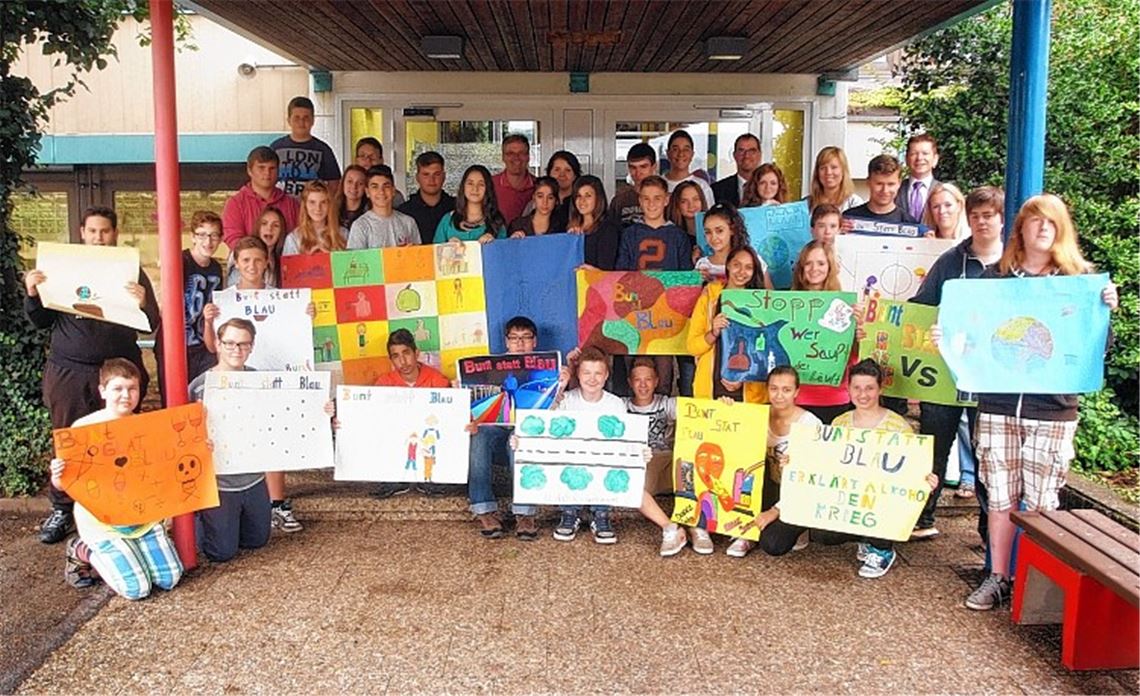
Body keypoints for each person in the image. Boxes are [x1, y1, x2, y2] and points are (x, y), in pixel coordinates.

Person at [956, 194, 1118, 611]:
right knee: (999, 496)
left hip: (1053, 408)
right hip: (998, 403)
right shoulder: (995, 283)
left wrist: (1104, 316)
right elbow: (970, 339)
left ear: (1061, 229)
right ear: (1021, 230)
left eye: (1051, 221)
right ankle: (998, 576)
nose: (1043, 228)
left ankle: (1041, 587)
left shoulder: (1080, 283)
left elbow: (1096, 350)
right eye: (1034, 221)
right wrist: (950, 341)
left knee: (1044, 500)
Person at [24, 206, 161, 544]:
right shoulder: (61, 268)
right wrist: (31, 293)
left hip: (120, 368)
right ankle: (63, 508)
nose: (99, 238)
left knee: (121, 438)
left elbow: (153, 321)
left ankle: (124, 502)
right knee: (69, 438)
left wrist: (144, 303)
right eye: (93, 231)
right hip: (69, 370)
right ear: (82, 232)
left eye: (105, 231)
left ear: (114, 233)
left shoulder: (130, 271)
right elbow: (40, 321)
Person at [908, 186, 1005, 542]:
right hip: (943, 374)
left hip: (991, 379)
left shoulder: (1013, 263)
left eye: (988, 215)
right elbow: (920, 305)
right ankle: (922, 516)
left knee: (988, 455)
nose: (981, 222)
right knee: (933, 446)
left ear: (1001, 219)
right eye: (976, 216)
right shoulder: (950, 261)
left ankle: (988, 531)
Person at [203, 235, 310, 533]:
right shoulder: (224, 299)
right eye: (246, 260)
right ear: (236, 262)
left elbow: (295, 337)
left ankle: (277, 503)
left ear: (267, 262)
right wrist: (206, 320)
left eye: (258, 260)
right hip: (238, 382)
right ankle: (242, 502)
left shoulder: (282, 297)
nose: (252, 265)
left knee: (273, 436)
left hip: (271, 378)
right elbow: (213, 347)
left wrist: (305, 317)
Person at [54, 359, 183, 599]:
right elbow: (64, 485)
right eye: (118, 388)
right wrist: (58, 475)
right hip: (102, 523)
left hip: (142, 518)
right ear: (103, 391)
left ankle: (132, 551)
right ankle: (82, 550)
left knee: (169, 579)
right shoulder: (83, 428)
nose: (126, 395)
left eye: (132, 388)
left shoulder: (146, 427)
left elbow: (168, 468)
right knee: (137, 589)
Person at [813, 359, 938, 579]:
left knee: (886, 509)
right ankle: (865, 538)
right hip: (850, 497)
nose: (863, 394)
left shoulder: (899, 426)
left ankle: (882, 548)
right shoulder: (839, 423)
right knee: (822, 535)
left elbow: (911, 469)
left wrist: (924, 480)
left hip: (882, 501)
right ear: (848, 389)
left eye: (870, 388)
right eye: (857, 388)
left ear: (880, 389)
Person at [188, 318, 271, 563]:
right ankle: (199, 519)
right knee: (221, 553)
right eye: (230, 343)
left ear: (252, 346)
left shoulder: (261, 381)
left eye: (244, 344)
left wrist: (324, 411)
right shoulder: (200, 386)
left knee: (258, 541)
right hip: (219, 481)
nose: (237, 350)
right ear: (218, 344)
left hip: (253, 477)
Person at [465, 317, 549, 540]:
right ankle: (484, 509)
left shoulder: (546, 369)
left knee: (518, 439)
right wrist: (462, 390)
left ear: (535, 342)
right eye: (514, 338)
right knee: (479, 435)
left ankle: (525, 513)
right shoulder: (492, 369)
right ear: (506, 342)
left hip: (529, 429)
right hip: (496, 426)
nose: (520, 344)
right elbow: (480, 405)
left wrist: (561, 384)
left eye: (525, 338)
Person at [623, 357, 715, 557]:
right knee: (630, 487)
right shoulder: (620, 406)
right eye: (637, 379)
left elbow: (703, 411)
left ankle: (697, 527)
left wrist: (726, 402)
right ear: (630, 382)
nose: (643, 385)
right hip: (646, 464)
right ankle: (671, 529)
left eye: (648, 379)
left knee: (695, 468)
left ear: (656, 381)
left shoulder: (667, 404)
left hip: (669, 459)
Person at [733, 365, 820, 558]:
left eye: (786, 390)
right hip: (769, 486)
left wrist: (774, 511)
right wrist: (725, 408)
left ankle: (801, 526)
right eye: (774, 388)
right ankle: (747, 530)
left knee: (773, 544)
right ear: (767, 389)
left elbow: (812, 479)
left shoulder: (810, 424)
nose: (779, 395)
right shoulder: (756, 415)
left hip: (799, 493)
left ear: (797, 391)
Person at [548, 347, 626, 544]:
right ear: (578, 374)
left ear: (606, 375)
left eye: (598, 373)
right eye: (586, 373)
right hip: (572, 458)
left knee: (613, 459)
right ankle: (569, 511)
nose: (592, 379)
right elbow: (545, 428)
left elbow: (624, 440)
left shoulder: (616, 404)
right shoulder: (566, 400)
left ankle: (601, 514)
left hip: (602, 458)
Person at [156, 210, 225, 405]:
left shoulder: (216, 268)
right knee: (174, 401)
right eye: (202, 235)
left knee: (204, 398)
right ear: (193, 236)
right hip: (175, 345)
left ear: (221, 238)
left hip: (202, 345)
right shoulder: (180, 261)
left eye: (214, 235)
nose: (208, 241)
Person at [686, 245, 769, 404]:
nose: (741, 272)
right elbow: (692, 347)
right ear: (728, 265)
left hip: (750, 395)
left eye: (748, 267)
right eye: (737, 265)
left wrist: (743, 377)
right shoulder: (710, 295)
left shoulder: (761, 302)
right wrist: (713, 332)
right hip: (710, 391)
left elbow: (766, 354)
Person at [791, 241, 859, 423]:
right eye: (808, 263)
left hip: (835, 396)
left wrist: (859, 331)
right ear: (801, 268)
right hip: (797, 397)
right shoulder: (788, 304)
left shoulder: (846, 305)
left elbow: (854, 354)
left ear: (830, 267)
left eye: (821, 263)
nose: (814, 269)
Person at [221, 146, 300, 248]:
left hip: (286, 262)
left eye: (272, 168)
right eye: (261, 168)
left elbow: (301, 238)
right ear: (250, 171)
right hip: (248, 262)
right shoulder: (235, 204)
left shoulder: (292, 204)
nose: (267, 173)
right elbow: (234, 240)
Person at [616, 175, 694, 271]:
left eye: (657, 198)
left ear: (666, 200)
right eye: (646, 199)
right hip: (636, 286)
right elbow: (621, 272)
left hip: (670, 286)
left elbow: (685, 274)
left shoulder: (679, 236)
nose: (651, 204)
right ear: (640, 201)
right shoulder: (629, 234)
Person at [271, 96, 341, 197]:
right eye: (297, 118)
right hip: (281, 209)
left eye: (306, 118)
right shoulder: (276, 148)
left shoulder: (323, 150)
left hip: (312, 210)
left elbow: (334, 183)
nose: (301, 122)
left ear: (313, 120)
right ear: (289, 120)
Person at [346, 165, 419, 249]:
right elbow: (355, 260)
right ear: (367, 192)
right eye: (375, 187)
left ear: (393, 190)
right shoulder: (361, 226)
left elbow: (418, 257)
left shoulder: (408, 222)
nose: (381, 192)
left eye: (386, 186)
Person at [434, 165, 507, 243]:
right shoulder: (448, 221)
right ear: (463, 187)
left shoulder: (496, 222)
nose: (475, 188)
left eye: (481, 184)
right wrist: (447, 248)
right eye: (470, 183)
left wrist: (492, 245)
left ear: (488, 189)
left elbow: (504, 253)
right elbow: (434, 253)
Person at [399, 151, 456, 245]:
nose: (431, 180)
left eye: (436, 174)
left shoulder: (457, 208)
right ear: (417, 177)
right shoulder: (404, 212)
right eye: (426, 174)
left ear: (444, 176)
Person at [844, 154, 917, 225]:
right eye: (879, 184)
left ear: (899, 184)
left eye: (891, 184)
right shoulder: (848, 220)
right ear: (868, 182)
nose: (885, 190)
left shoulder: (910, 224)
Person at [568, 175, 622, 270]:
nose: (582, 201)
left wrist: (592, 271)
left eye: (588, 196)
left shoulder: (608, 229)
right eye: (578, 196)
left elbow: (607, 271)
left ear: (598, 198)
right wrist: (569, 239)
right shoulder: (570, 227)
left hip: (594, 283)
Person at [694, 203, 757, 285]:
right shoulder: (703, 265)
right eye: (708, 232)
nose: (714, 237)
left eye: (719, 231)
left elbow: (769, 293)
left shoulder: (751, 259)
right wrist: (696, 281)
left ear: (732, 230)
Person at [282, 180, 345, 255]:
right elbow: (288, 266)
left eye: (323, 202)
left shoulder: (343, 234)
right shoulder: (293, 239)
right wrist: (308, 260)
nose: (318, 208)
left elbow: (352, 265)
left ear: (329, 205)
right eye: (312, 202)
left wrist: (329, 258)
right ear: (305, 205)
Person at [375, 329, 451, 388]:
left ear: (416, 353)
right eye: (396, 356)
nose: (403, 361)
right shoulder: (384, 384)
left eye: (406, 353)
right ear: (391, 360)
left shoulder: (437, 380)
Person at [662, 130, 715, 207]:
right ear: (668, 153)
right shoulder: (659, 185)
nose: (681, 154)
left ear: (692, 154)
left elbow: (710, 216)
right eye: (675, 149)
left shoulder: (702, 186)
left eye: (686, 149)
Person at [609, 142, 657, 228]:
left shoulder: (664, 200)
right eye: (633, 167)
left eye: (643, 167)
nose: (638, 173)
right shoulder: (619, 201)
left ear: (654, 167)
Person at [492, 133, 536, 225]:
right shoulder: (490, 184)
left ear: (528, 157)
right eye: (510, 153)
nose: (516, 158)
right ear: (503, 157)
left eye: (521, 153)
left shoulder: (539, 186)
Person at [805, 146, 864, 214]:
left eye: (834, 167)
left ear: (843, 171)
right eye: (823, 168)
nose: (828, 172)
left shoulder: (854, 203)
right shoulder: (807, 205)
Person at [896, 133, 941, 221]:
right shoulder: (895, 189)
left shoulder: (944, 191)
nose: (919, 158)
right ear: (906, 159)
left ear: (935, 159)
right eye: (914, 154)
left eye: (925, 153)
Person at [354, 137, 407, 206]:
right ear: (356, 160)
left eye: (372, 157)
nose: (367, 160)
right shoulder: (349, 191)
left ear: (381, 160)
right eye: (362, 156)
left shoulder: (393, 196)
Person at [712, 133, 762, 206]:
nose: (746, 156)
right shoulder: (717, 190)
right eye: (741, 151)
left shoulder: (770, 188)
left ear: (759, 155)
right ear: (734, 155)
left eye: (752, 151)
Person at [544, 150, 581, 230]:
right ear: (549, 173)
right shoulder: (535, 202)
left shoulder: (582, 203)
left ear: (575, 175)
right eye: (557, 170)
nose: (562, 174)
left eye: (567, 170)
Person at [668, 180, 709, 246]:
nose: (691, 205)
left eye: (695, 199)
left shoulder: (713, 230)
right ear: (677, 204)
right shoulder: (671, 234)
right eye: (684, 201)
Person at [337, 165, 370, 234]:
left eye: (360, 183)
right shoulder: (332, 210)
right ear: (343, 183)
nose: (354, 186)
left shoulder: (370, 213)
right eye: (350, 181)